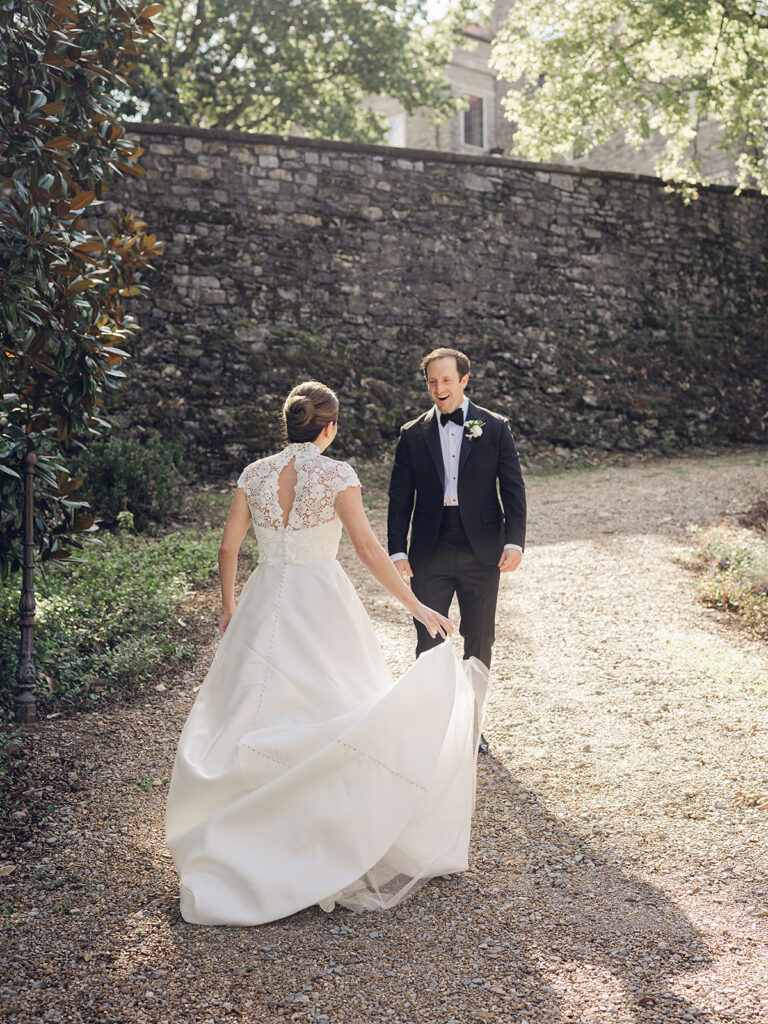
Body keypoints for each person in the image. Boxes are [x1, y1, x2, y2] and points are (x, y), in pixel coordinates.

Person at [165, 381, 489, 926]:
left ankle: (246, 825)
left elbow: (228, 548)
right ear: (330, 426)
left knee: (250, 711)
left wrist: (228, 608)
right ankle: (326, 833)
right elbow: (365, 548)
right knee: (337, 702)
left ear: (289, 423)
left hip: (265, 599)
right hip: (322, 601)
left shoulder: (254, 474)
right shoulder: (337, 474)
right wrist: (416, 605)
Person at [387, 349, 527, 751]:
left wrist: (514, 540)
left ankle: (472, 726)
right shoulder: (412, 434)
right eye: (432, 381)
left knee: (479, 635)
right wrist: (398, 551)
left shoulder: (495, 427)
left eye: (446, 380)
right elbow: (400, 498)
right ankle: (432, 725)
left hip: (483, 548)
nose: (439, 388)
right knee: (429, 637)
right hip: (429, 549)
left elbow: (513, 487)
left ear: (464, 380)